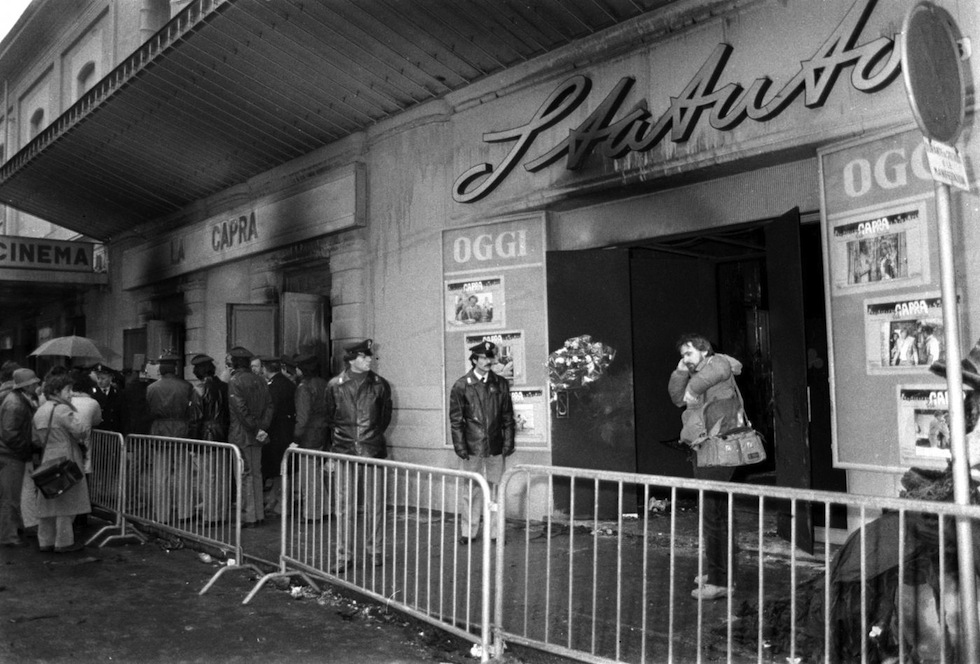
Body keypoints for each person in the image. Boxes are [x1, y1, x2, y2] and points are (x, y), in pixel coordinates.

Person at [668, 333, 743, 600]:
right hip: (706, 449)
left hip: (718, 450)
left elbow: (718, 369)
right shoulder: (698, 375)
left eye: (688, 353)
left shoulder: (719, 364)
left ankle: (721, 581)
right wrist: (680, 374)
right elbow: (678, 398)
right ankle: (720, 573)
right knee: (716, 517)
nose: (684, 359)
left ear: (705, 351)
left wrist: (692, 387)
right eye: (682, 355)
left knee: (713, 518)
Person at [325, 339, 392, 570]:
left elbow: (384, 418)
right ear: (351, 359)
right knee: (344, 507)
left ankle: (375, 551)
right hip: (344, 451)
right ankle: (344, 556)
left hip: (372, 450)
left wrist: (369, 438)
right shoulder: (335, 385)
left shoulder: (380, 385)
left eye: (369, 356)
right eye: (363, 357)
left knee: (376, 505)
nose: (369, 360)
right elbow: (330, 418)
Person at [449, 340, 515, 545]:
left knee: (496, 489)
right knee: (471, 491)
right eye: (484, 358)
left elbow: (507, 417)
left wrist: (508, 443)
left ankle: (496, 532)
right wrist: (460, 447)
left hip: (495, 445)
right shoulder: (461, 385)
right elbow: (456, 420)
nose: (489, 361)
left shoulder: (500, 384)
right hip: (472, 446)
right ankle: (468, 532)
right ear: (474, 359)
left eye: (490, 357)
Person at [32, 371, 90, 553]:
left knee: (48, 502)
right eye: (68, 390)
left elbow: (36, 439)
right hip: (67, 458)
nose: (71, 394)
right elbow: (80, 430)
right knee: (67, 502)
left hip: (47, 458)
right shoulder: (63, 410)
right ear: (57, 391)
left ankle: (45, 541)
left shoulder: (40, 411)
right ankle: (64, 542)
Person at [145, 352, 194, 523]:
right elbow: (191, 410)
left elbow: (149, 410)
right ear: (175, 369)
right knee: (183, 473)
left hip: (159, 430)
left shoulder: (151, 388)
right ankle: (185, 512)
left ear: (160, 369)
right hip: (181, 430)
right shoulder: (186, 387)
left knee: (161, 475)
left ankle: (162, 514)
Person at [227, 346, 273, 527]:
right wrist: (262, 428)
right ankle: (258, 515)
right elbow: (270, 405)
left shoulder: (235, 381)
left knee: (244, 475)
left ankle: (249, 516)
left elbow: (240, 410)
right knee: (256, 473)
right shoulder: (260, 380)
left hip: (241, 434)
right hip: (258, 435)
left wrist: (254, 428)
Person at [188, 354, 230, 524]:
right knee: (221, 478)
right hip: (223, 435)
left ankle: (210, 516)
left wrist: (192, 443)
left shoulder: (198, 390)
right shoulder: (224, 387)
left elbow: (196, 420)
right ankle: (221, 513)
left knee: (208, 479)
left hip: (206, 436)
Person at [0, 369, 40, 547]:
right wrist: (27, 450)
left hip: (11, 454)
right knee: (10, 497)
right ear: (27, 385)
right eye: (34, 383)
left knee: (11, 496)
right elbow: (10, 434)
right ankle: (8, 536)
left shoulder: (16, 400)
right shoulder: (16, 403)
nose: (37, 386)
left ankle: (12, 532)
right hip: (12, 455)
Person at [292, 353, 330, 522]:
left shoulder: (304, 387)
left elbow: (302, 417)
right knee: (316, 474)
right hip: (323, 432)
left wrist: (296, 438)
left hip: (308, 435)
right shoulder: (324, 384)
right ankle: (325, 509)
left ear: (301, 369)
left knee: (309, 476)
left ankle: (312, 513)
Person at [261, 356, 296, 516]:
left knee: (281, 470)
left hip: (277, 432)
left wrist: (263, 428)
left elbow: (271, 410)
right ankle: (275, 500)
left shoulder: (274, 386)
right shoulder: (288, 383)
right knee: (280, 469)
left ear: (265, 368)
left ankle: (281, 505)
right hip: (286, 431)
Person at [90, 363, 125, 434]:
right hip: (98, 433)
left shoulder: (117, 393)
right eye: (98, 378)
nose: (99, 381)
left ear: (110, 378)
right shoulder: (92, 393)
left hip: (113, 432)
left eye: (103, 378)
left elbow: (122, 415)